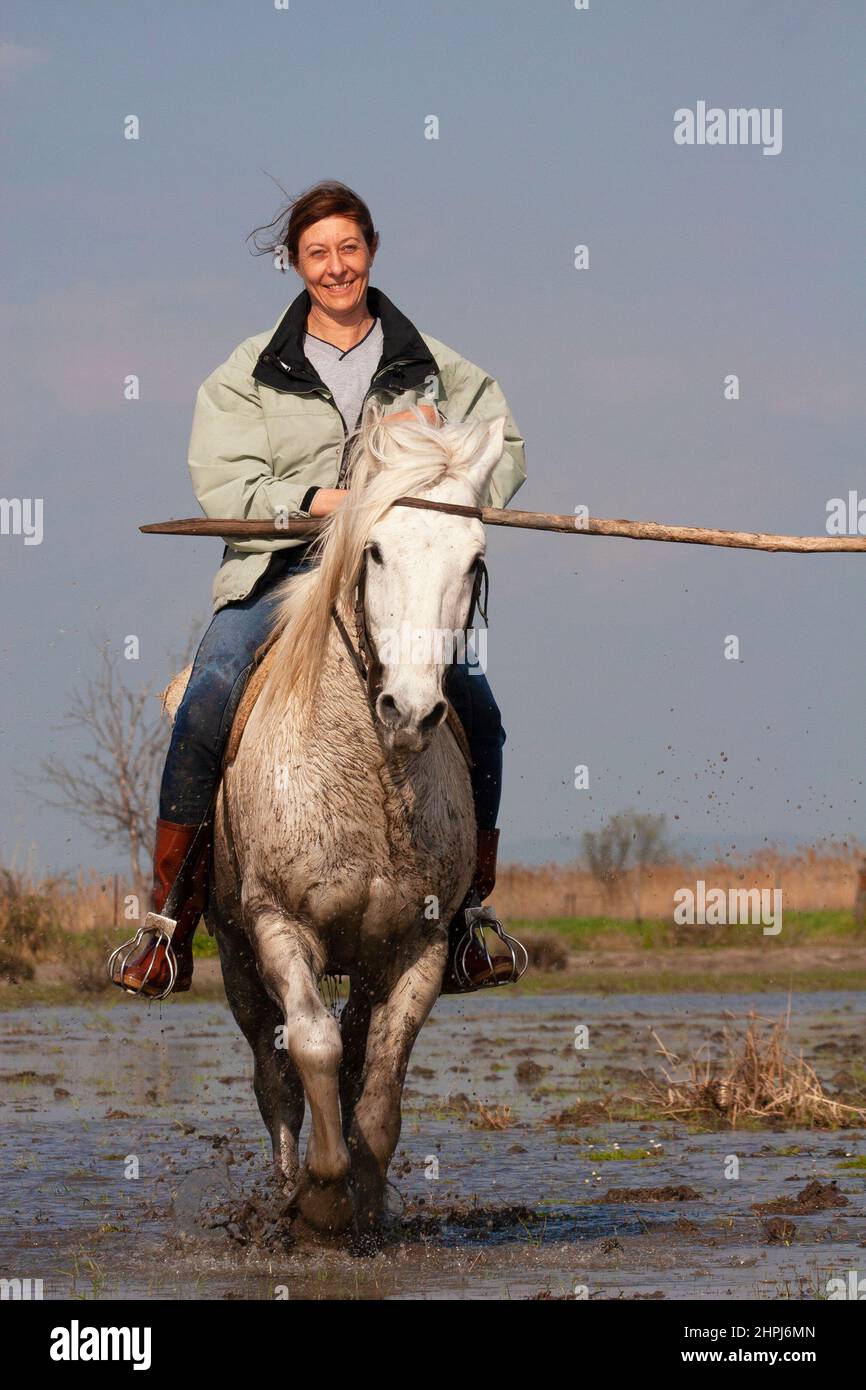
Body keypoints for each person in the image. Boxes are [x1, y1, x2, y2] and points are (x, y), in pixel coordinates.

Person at [110, 179, 526, 998]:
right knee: (210, 696)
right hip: (280, 571)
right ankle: (168, 923)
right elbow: (223, 479)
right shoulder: (247, 373)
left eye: (349, 248)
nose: (336, 267)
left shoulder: (437, 367)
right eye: (317, 253)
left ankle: (469, 918)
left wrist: (442, 465)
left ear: (371, 250)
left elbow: (499, 449)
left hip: (396, 576)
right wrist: (310, 503)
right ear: (295, 264)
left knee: (476, 707)